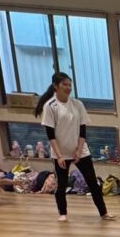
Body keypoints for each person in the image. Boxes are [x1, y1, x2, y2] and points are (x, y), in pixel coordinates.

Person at [35, 74, 114, 221]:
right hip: (60, 153)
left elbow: (83, 130)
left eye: (70, 85)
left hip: (80, 150)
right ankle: (62, 213)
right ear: (56, 86)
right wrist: (59, 156)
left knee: (93, 183)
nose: (68, 88)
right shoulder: (50, 106)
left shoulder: (78, 104)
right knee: (62, 184)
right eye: (64, 84)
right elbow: (50, 135)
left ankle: (103, 212)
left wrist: (78, 150)